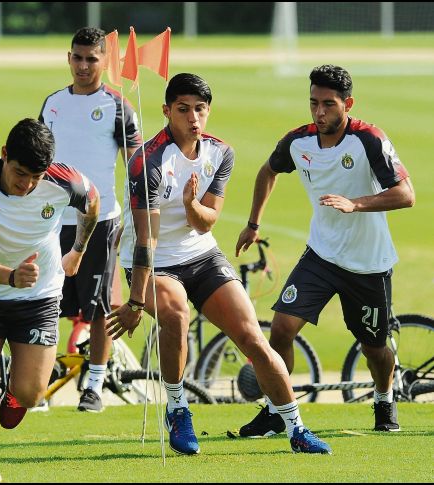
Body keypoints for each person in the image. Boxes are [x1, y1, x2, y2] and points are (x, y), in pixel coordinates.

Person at [107, 73, 331, 455]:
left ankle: (296, 428)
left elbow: (207, 220)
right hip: (154, 261)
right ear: (166, 111)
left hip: (202, 255)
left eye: (200, 109)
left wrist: (193, 205)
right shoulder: (148, 161)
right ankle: (178, 408)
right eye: (183, 109)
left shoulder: (220, 153)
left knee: (252, 337)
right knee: (175, 315)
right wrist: (136, 301)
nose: (193, 117)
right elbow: (148, 238)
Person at [235, 64, 415, 436]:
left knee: (374, 348)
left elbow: (405, 194)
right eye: (314, 103)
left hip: (368, 264)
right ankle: (277, 411)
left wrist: (356, 204)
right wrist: (253, 224)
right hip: (320, 257)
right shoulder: (298, 142)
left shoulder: (369, 140)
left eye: (329, 105)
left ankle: (384, 398)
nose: (319, 113)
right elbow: (267, 172)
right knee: (282, 329)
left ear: (347, 103)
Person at [0, 118, 99, 482]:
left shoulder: (66, 182)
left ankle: (17, 395)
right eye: (20, 173)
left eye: (36, 176)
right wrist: (9, 276)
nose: (27, 184)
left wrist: (78, 250)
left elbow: (92, 204)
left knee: (31, 394)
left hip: (39, 296)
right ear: (5, 155)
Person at [38, 27, 141, 412]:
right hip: (52, 219)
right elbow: (39, 157)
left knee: (96, 307)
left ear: (105, 61)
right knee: (47, 300)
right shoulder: (52, 103)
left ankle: (94, 385)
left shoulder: (118, 107)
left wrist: (137, 215)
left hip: (101, 220)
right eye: (77, 58)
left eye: (91, 59)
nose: (83, 66)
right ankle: (42, 380)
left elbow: (136, 165)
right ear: (69, 58)